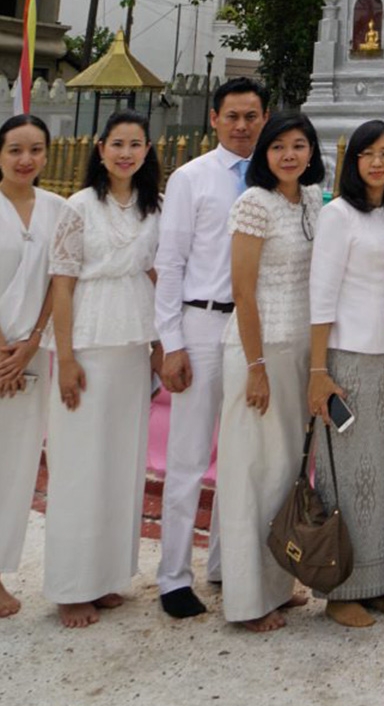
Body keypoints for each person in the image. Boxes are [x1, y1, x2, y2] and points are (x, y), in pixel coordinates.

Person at [154, 77, 269, 619]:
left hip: (254, 333)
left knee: (244, 454)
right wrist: (170, 342)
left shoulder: (273, 179)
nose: (242, 125)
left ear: (265, 118)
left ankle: (228, 563)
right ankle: (174, 575)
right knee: (188, 457)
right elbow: (170, 263)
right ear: (215, 120)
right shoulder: (190, 179)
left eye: (251, 116)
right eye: (233, 116)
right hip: (202, 326)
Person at [45, 110, 163, 628]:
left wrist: (161, 345)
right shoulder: (78, 207)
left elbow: (158, 274)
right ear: (100, 149)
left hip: (132, 341)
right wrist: (66, 357)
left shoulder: (150, 207)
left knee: (121, 460)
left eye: (136, 144)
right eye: (118, 143)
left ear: (146, 151)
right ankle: (72, 585)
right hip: (88, 341)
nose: (126, 153)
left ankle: (109, 575)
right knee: (80, 464)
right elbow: (63, 283)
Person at [216, 113, 325, 632]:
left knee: (285, 471)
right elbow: (242, 292)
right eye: (278, 146)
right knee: (252, 471)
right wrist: (255, 366)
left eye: (299, 145)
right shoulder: (253, 204)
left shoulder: (311, 199)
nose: (289, 155)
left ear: (311, 152)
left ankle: (278, 583)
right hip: (258, 351)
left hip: (301, 349)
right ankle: (247, 599)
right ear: (264, 153)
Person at [307, 120, 384, 627]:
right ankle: (340, 587)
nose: (378, 163)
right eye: (369, 154)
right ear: (353, 161)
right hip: (348, 357)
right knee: (347, 475)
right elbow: (321, 296)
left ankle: (377, 581)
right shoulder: (337, 215)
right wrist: (317, 370)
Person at [0, 114, 64, 619]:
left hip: (33, 354)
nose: (26, 160)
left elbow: (58, 284)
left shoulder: (58, 211)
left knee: (18, 467)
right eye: (15, 150)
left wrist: (30, 343)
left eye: (36, 150)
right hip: (2, 350)